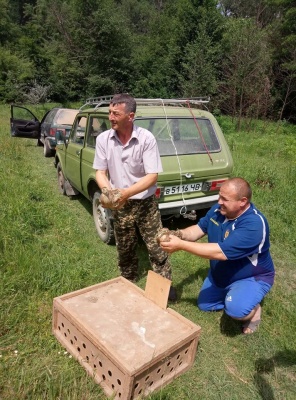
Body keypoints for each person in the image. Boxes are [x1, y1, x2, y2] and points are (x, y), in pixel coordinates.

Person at [159, 177, 275, 333]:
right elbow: (197, 230)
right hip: (221, 274)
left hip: (250, 277)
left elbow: (220, 253)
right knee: (204, 305)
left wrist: (180, 246)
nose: (219, 201)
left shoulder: (254, 225)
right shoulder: (218, 210)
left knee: (236, 310)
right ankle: (233, 294)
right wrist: (177, 234)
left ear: (242, 201)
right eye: (219, 196)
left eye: (225, 199)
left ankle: (253, 308)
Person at [93, 93, 176, 301]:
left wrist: (126, 193)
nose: (111, 117)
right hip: (120, 205)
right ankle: (127, 280)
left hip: (145, 203)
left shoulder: (146, 138)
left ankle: (164, 285)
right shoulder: (103, 139)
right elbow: (100, 172)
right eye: (109, 112)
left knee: (157, 244)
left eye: (116, 113)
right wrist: (108, 192)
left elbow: (152, 176)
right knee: (125, 246)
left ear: (130, 116)